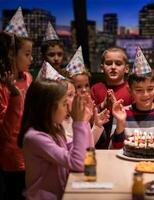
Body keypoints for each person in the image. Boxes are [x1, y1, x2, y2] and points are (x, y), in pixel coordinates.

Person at [17, 80, 92, 199]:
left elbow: (86, 155)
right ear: (48, 107)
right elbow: (77, 163)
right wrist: (79, 123)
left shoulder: (55, 128)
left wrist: (85, 121)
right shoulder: (35, 137)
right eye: (64, 103)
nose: (68, 108)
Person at [110, 47, 154, 149]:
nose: (145, 94)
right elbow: (115, 150)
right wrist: (120, 124)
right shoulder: (122, 113)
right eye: (139, 90)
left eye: (150, 89)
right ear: (130, 91)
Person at [0, 7, 33, 200]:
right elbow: (4, 133)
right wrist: (14, 96)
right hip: (12, 159)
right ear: (12, 55)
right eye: (27, 54)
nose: (31, 59)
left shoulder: (28, 77)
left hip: (32, 151)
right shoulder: (2, 88)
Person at [64, 46, 110, 144]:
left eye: (87, 85)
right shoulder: (63, 116)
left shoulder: (86, 110)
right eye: (78, 87)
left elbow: (87, 145)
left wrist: (97, 125)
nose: (84, 90)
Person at [91, 47, 133, 149]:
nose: (113, 67)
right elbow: (88, 117)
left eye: (118, 64)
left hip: (126, 141)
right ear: (102, 67)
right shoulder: (96, 89)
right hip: (99, 144)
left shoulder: (132, 89)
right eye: (108, 63)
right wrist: (102, 105)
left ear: (126, 68)